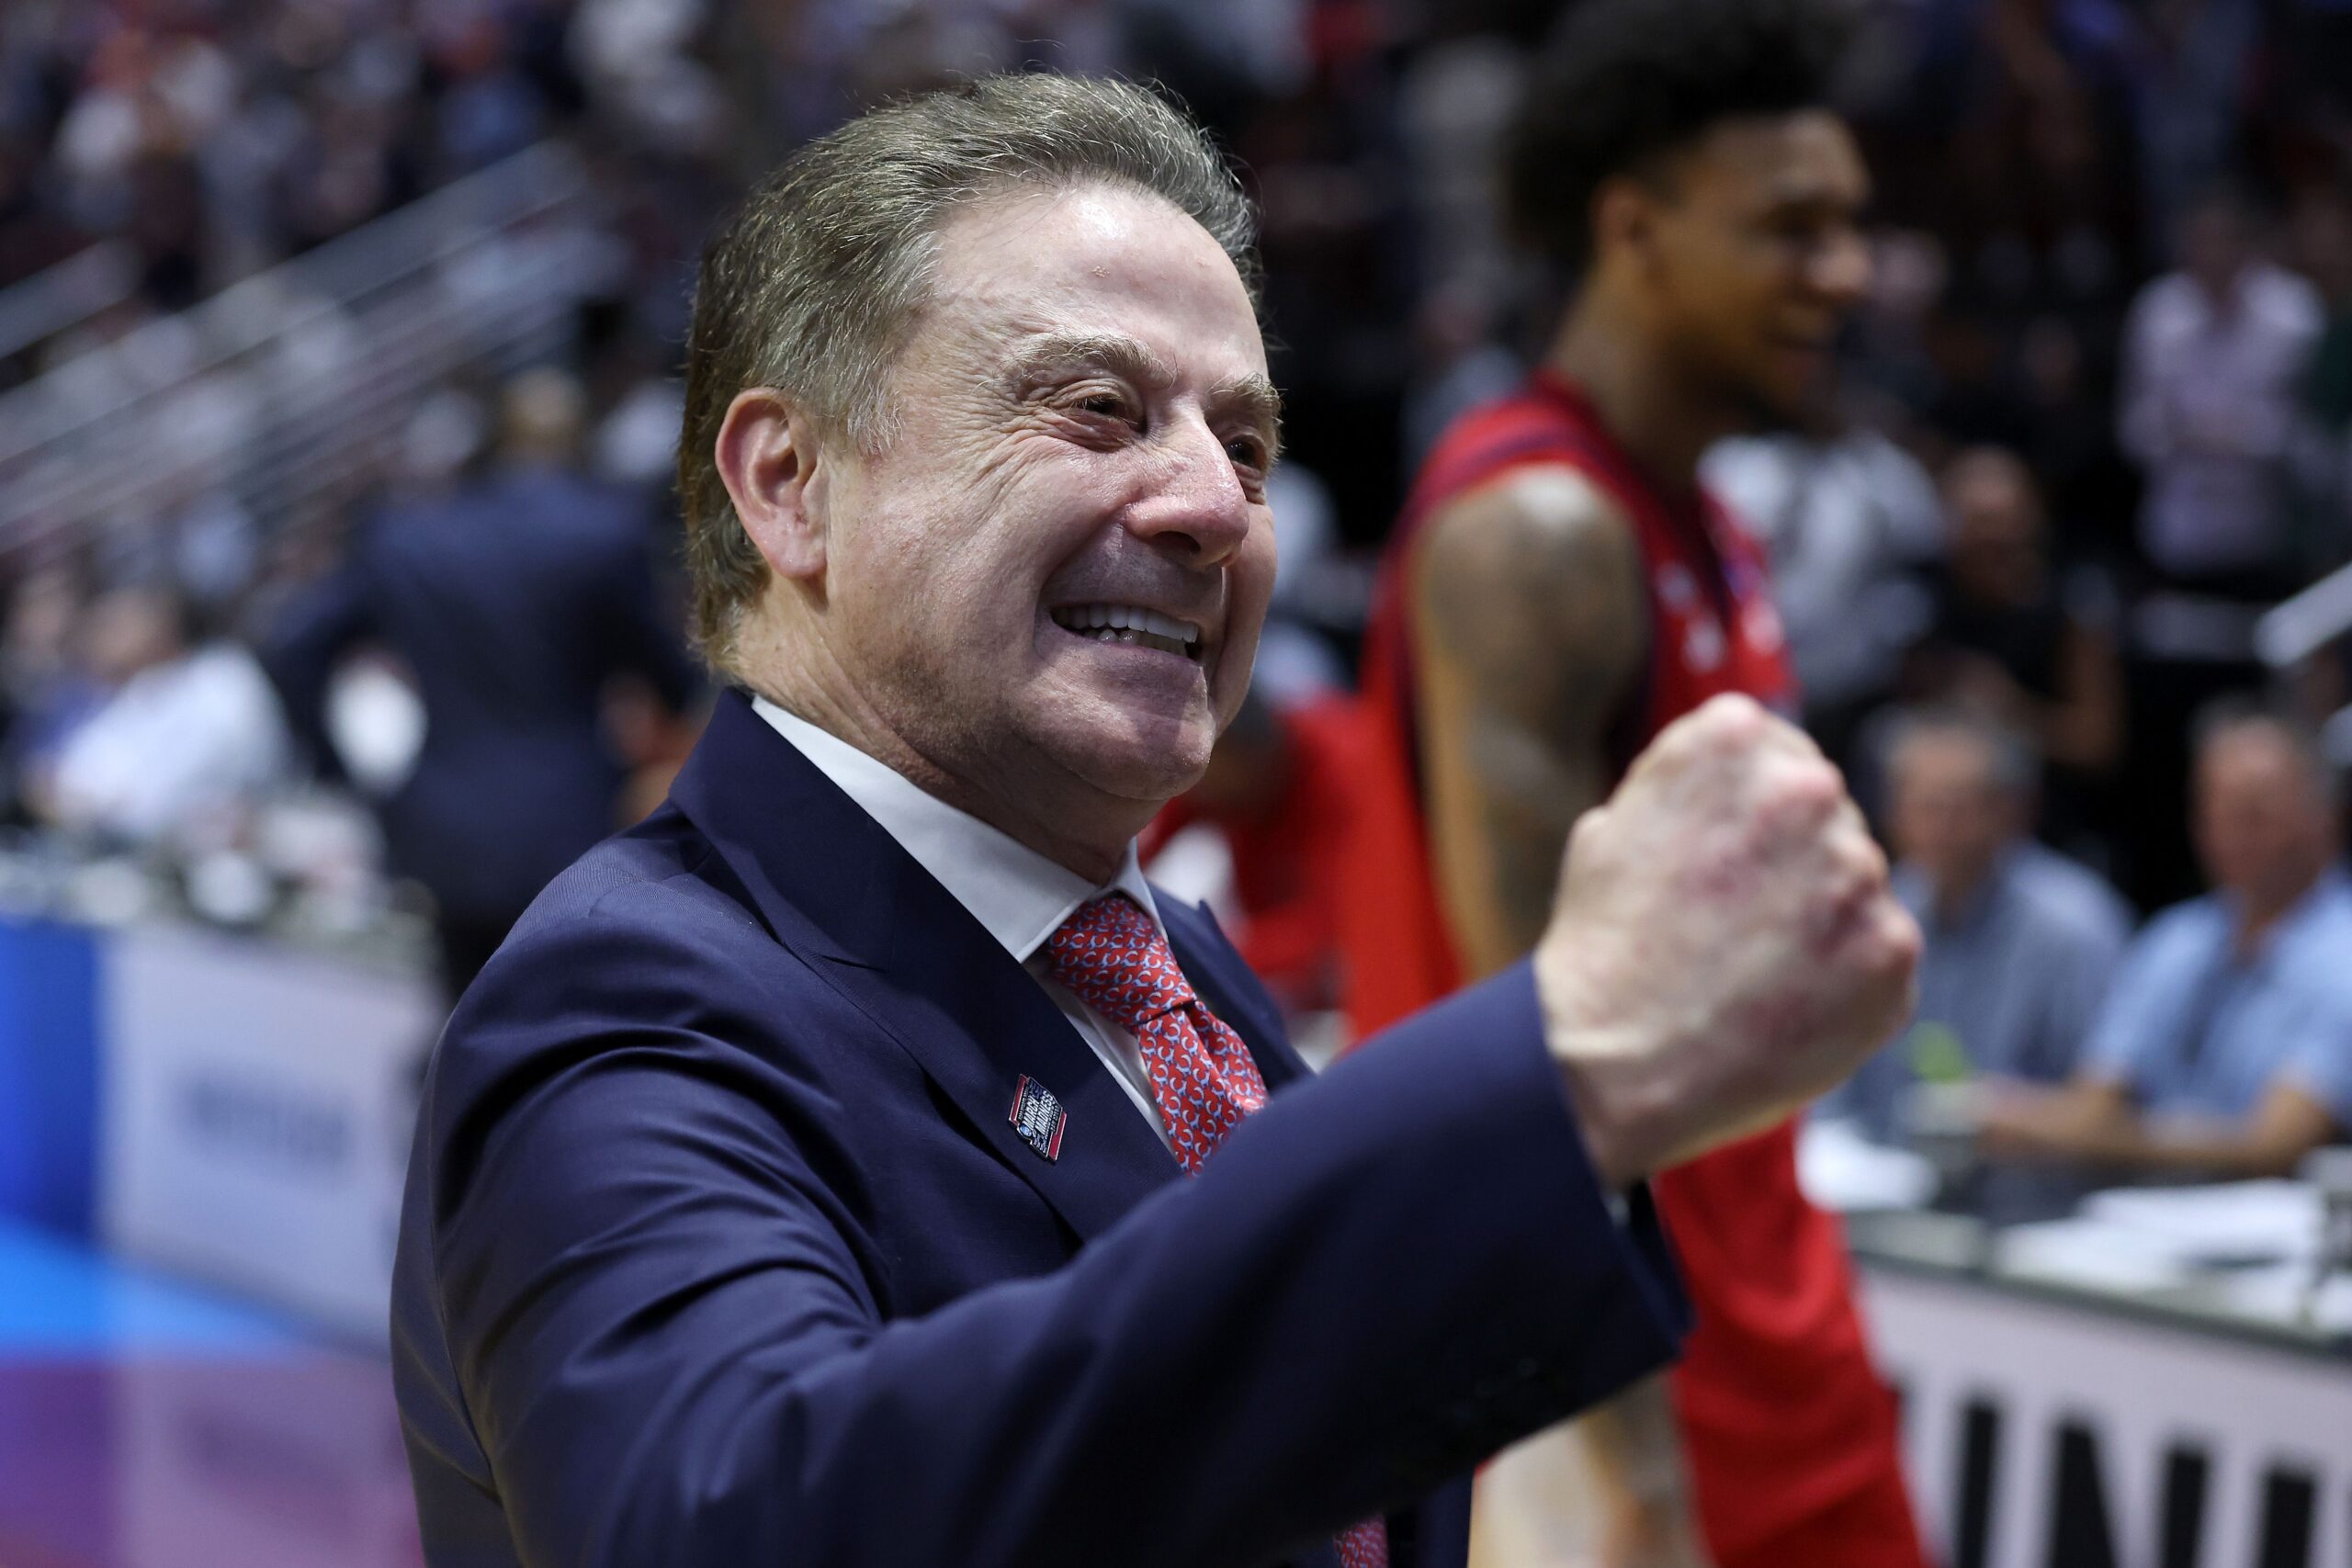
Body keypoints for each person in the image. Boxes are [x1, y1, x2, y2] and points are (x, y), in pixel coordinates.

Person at [390, 75, 1921, 1568]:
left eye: (1245, 443)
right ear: (791, 486)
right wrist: (1566, 1063)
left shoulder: (1175, 974)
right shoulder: (631, 1003)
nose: (1215, 507)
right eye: (1095, 409)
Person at [1340, 4, 1928, 1564]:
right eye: (1792, 228)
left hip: (1766, 1291)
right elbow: (1538, 1040)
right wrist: (1622, 1459)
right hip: (1617, 1362)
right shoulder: (1539, 532)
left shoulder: (1707, 522)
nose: (1847, 272)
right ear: (1635, 228)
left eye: (1855, 225)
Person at [262, 368, 696, 998]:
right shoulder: (604, 534)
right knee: (561, 1029)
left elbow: (293, 647)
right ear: (580, 442)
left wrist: (338, 771)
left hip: (443, 825)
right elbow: (672, 680)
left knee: (462, 1020)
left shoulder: (413, 537)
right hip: (566, 821)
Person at [1981, 703, 2352, 1177]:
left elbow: (2274, 1146)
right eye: (2214, 807)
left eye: (2254, 813)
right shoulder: (2179, 938)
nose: (2230, 832)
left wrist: (2066, 1131)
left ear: (2324, 818)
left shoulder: (2343, 956)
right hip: (2137, 1227)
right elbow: (2095, 1099)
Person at [1826, 708, 2131, 1144]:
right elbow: (1833, 1083)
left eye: (1961, 808)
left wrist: (2005, 1113)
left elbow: (2107, 1106)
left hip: (2030, 1197)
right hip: (1887, 1181)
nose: (1942, 829)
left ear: (2014, 811)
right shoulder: (1875, 914)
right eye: (1926, 806)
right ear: (1893, 813)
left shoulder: (2074, 928)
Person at [2118, 186, 2324, 592]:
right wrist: (2184, 434)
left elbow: (2313, 439)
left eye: (2225, 240)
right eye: (2201, 242)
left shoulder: (2296, 314)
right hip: (2178, 537)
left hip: (2267, 539)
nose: (2213, 254)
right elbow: (2133, 431)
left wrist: (2238, 434)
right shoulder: (2157, 313)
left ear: (2249, 244)